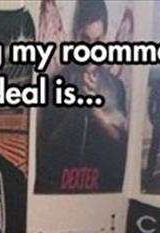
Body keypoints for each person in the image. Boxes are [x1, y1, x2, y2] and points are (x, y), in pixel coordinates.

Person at [35, 0, 128, 192]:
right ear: (75, 36)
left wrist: (97, 114)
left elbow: (122, 149)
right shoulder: (54, 84)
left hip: (103, 192)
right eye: (85, 40)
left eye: (98, 41)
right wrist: (77, 108)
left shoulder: (117, 87)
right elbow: (44, 151)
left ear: (105, 38)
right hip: (59, 192)